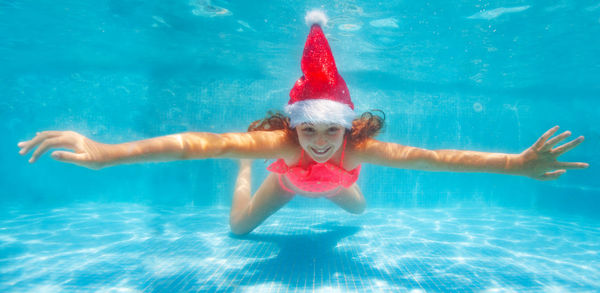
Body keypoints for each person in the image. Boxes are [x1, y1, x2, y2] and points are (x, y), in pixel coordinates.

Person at [17, 11, 588, 235]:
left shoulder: (357, 151)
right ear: (293, 129)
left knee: (360, 215)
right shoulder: (285, 146)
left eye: (330, 132)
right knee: (239, 231)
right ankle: (244, 176)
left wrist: (516, 163)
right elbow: (192, 146)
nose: (318, 142)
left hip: (343, 188)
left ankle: (334, 198)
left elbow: (438, 159)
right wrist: (106, 152)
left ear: (349, 129)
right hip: (285, 185)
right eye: (309, 131)